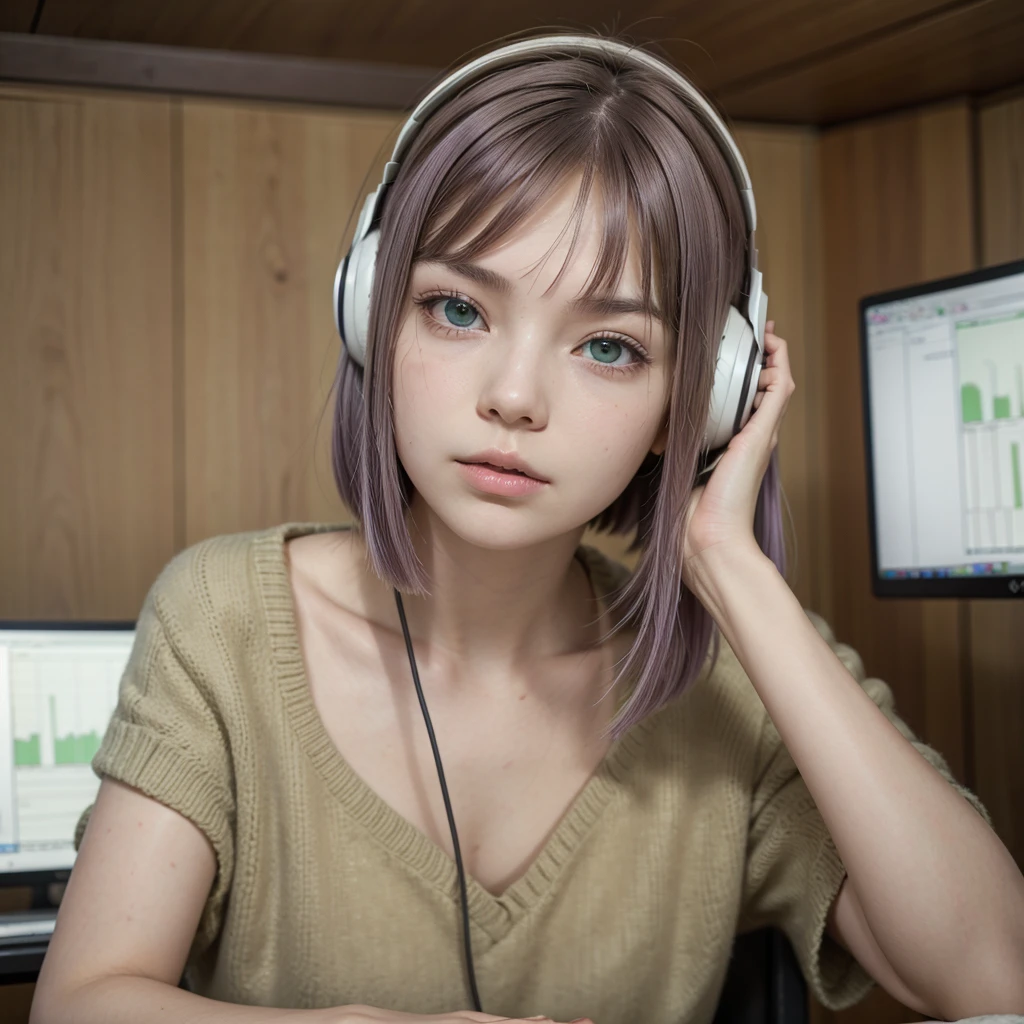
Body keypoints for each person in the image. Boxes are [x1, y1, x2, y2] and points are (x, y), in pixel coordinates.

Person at [30, 31, 1024, 1024]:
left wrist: (730, 565)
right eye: (457, 308)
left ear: (704, 397)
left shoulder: (731, 685)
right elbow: (78, 1002)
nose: (512, 396)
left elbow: (996, 978)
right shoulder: (224, 620)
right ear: (372, 314)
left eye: (607, 345)